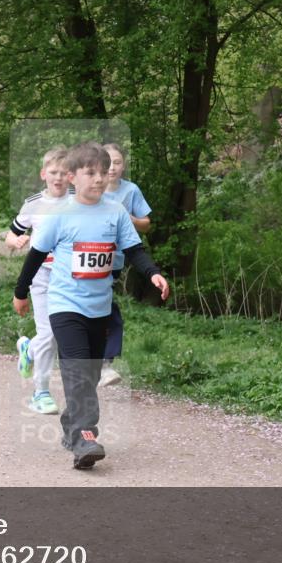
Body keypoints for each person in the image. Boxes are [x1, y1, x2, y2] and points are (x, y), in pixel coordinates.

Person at [13, 142, 169, 469]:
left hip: (99, 307)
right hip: (64, 304)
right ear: (72, 177)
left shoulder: (114, 212)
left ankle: (72, 427)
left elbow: (135, 250)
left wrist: (153, 273)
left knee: (91, 372)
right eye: (90, 173)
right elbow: (36, 256)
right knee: (77, 368)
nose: (98, 179)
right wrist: (21, 291)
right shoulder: (59, 215)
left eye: (102, 172)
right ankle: (86, 436)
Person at [6, 146, 69, 414]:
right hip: (41, 277)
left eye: (64, 173)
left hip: (70, 278)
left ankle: (28, 350)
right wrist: (16, 240)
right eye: (53, 172)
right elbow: (10, 234)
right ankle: (40, 393)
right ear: (44, 174)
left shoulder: (80, 201)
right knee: (50, 333)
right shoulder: (33, 204)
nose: (58, 178)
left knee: (58, 334)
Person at [99, 143, 152, 387]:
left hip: (116, 259)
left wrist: (127, 217)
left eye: (118, 162)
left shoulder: (131, 191)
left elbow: (146, 224)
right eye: (108, 162)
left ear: (124, 165)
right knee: (103, 309)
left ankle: (101, 363)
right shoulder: (91, 188)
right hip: (90, 259)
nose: (112, 167)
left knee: (104, 309)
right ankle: (102, 365)